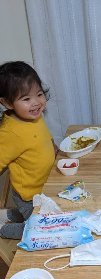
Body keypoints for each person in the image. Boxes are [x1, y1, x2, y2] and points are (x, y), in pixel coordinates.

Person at [0, 61, 56, 240]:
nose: (36, 103)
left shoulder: (33, 116)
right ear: (8, 103)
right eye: (26, 99)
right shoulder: (10, 132)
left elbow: (41, 137)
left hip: (44, 187)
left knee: (33, 215)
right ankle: (3, 230)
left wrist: (53, 147)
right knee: (41, 229)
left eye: (39, 94)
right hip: (29, 195)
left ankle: (7, 215)